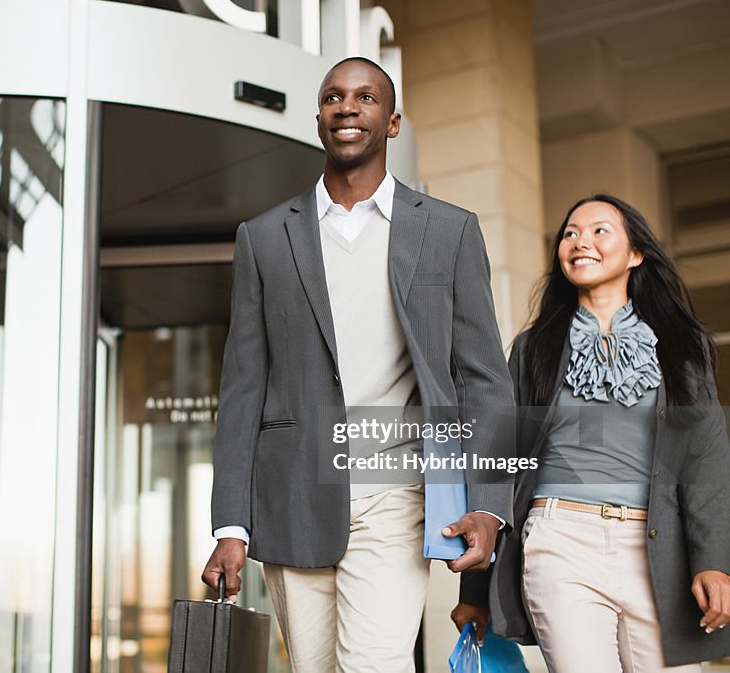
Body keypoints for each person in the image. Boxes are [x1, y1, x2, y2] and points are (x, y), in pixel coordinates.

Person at [200, 56, 515, 672]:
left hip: (399, 496)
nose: (348, 107)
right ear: (318, 118)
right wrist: (229, 525)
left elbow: (484, 378)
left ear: (392, 122)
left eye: (366, 97)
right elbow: (242, 388)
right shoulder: (263, 238)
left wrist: (490, 501)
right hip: (294, 497)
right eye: (334, 97)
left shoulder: (449, 232)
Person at [452, 194, 730, 671]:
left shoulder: (684, 348)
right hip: (560, 540)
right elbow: (500, 462)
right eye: (570, 233)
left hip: (657, 548)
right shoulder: (532, 347)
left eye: (600, 230)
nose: (581, 242)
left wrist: (715, 560)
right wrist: (475, 590)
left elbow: (705, 461)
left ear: (636, 253)